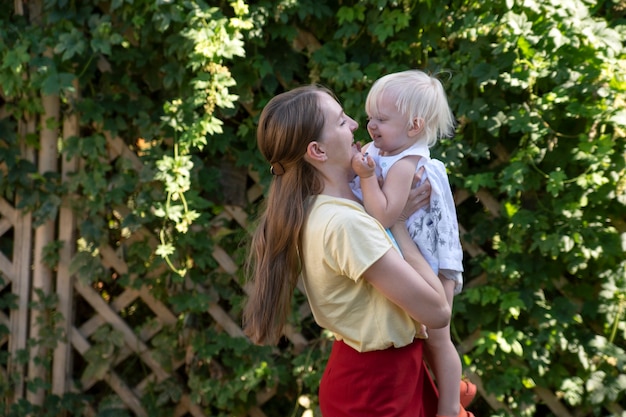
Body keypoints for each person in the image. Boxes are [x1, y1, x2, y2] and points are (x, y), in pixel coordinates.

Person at [242, 84, 452, 417]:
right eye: (341, 122)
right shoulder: (345, 225)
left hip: (382, 379)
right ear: (318, 151)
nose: (355, 124)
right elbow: (438, 311)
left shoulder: (326, 209)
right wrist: (395, 223)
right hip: (375, 391)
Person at [350, 69, 476, 417]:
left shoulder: (407, 163)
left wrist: (365, 177)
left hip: (433, 259)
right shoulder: (383, 150)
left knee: (438, 336)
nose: (371, 125)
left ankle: (450, 407)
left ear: (414, 126)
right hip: (413, 255)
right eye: (370, 116)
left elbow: (386, 215)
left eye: (382, 119)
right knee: (420, 333)